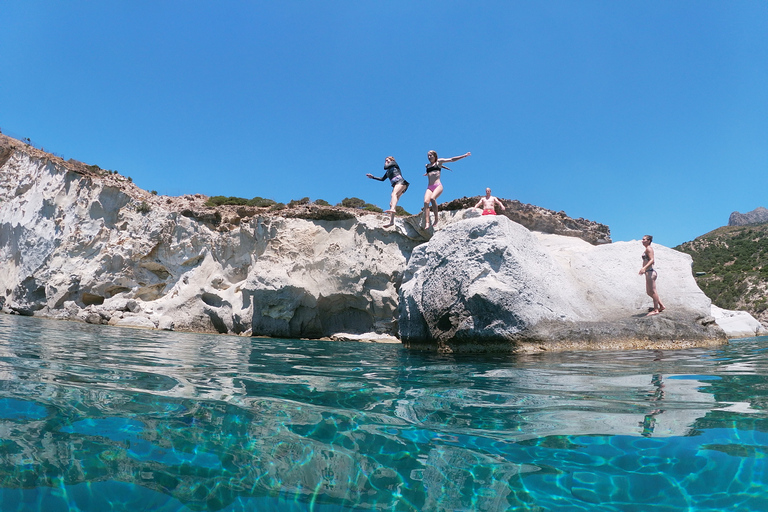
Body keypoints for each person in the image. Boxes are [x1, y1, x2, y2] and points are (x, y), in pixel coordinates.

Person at [422, 150, 471, 228]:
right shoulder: (427, 166)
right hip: (429, 187)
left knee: (432, 198)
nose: (429, 157)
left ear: (435, 156)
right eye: (428, 156)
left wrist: (464, 155)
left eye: (431, 155)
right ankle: (427, 222)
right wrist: (427, 173)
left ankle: (436, 219)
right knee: (425, 202)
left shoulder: (439, 162)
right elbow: (431, 171)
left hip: (438, 185)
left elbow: (452, 159)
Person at [367, 156, 409, 228]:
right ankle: (391, 222)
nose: (386, 161)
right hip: (397, 185)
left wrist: (387, 162)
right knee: (391, 203)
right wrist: (373, 177)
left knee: (393, 194)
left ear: (392, 160)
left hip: (401, 182)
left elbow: (385, 167)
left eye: (388, 160)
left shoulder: (394, 164)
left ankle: (392, 209)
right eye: (386, 160)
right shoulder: (388, 172)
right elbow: (382, 179)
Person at [639, 235, 665, 316]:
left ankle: (656, 309)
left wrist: (644, 268)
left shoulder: (649, 249)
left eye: (644, 239)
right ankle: (661, 306)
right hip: (648, 272)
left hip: (650, 272)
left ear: (648, 240)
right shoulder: (646, 249)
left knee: (653, 291)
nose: (642, 241)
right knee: (649, 292)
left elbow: (652, 260)